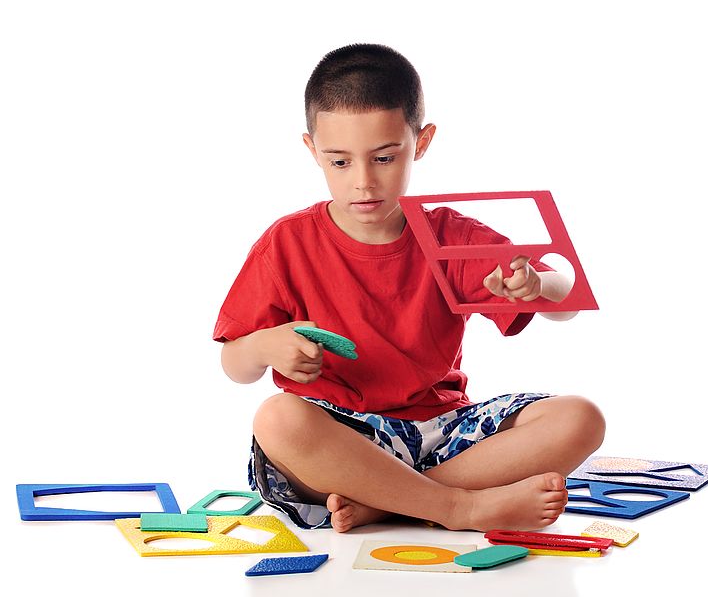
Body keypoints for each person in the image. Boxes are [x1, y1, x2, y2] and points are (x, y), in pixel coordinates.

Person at [213, 43, 605, 533]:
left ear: (420, 142)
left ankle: (391, 503)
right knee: (277, 419)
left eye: (383, 157)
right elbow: (235, 365)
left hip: (443, 432)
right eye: (340, 162)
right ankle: (457, 508)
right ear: (312, 150)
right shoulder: (285, 244)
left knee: (581, 418)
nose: (363, 182)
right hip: (342, 434)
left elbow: (565, 301)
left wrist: (537, 284)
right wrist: (265, 345)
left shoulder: (450, 236)